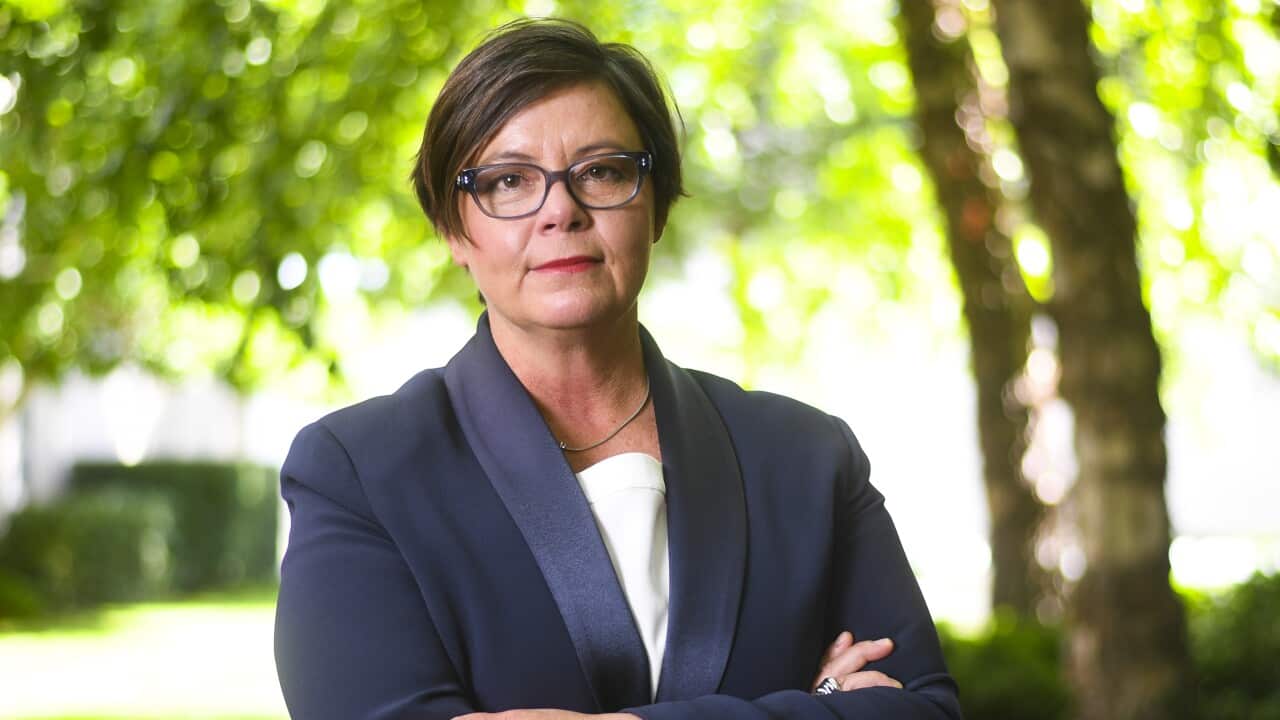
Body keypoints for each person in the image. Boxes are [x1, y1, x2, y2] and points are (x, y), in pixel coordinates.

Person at [274, 17, 962, 720]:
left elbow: (923, 712)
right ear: (455, 229)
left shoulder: (809, 459)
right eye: (509, 182)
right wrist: (812, 706)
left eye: (601, 171)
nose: (560, 212)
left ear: (657, 203)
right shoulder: (358, 472)